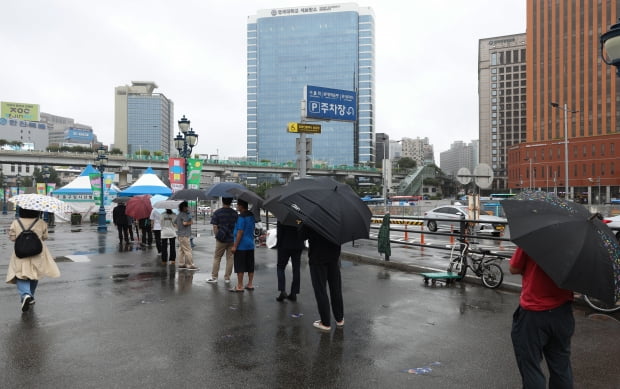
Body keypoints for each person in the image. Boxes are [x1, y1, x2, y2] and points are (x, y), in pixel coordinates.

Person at [509, 247, 575, 388]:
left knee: (530, 366)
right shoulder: (578, 244)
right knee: (561, 367)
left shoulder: (534, 238)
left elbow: (514, 268)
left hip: (534, 312)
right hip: (563, 312)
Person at [6, 208, 60, 312]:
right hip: (37, 253)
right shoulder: (41, 222)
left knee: (21, 274)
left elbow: (12, 238)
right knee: (34, 274)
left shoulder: (16, 222)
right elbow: (45, 237)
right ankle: (30, 296)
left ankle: (26, 294)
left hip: (20, 252)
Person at [302, 226, 344, 331]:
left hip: (317, 258)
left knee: (321, 290)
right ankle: (339, 319)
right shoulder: (336, 217)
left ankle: (325, 323)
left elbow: (301, 236)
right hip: (334, 256)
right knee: (336, 288)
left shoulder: (311, 218)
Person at [206, 197, 238, 284]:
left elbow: (215, 226)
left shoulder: (217, 212)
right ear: (231, 202)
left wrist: (217, 235)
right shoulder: (234, 213)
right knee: (230, 258)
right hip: (231, 239)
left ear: (223, 201)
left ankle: (214, 277)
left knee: (217, 258)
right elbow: (237, 227)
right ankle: (227, 278)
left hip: (221, 239)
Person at [229, 199, 255, 292]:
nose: (236, 206)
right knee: (250, 265)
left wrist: (235, 246)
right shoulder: (251, 216)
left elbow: (240, 231)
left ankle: (240, 286)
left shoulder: (241, 217)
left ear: (241, 206)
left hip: (241, 246)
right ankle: (250, 284)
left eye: (237, 205)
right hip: (250, 244)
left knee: (240, 266)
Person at [275, 222, 305, 302]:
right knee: (296, 269)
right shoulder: (300, 215)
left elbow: (279, 233)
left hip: (284, 245)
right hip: (298, 245)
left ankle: (282, 290)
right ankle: (294, 293)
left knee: (280, 267)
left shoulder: (283, 216)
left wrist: (278, 245)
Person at [175, 201, 198, 271]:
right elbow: (185, 223)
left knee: (182, 250)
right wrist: (190, 221)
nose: (187, 208)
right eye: (186, 207)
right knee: (188, 250)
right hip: (185, 235)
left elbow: (175, 223)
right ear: (184, 207)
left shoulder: (179, 214)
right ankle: (190, 265)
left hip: (180, 234)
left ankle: (181, 264)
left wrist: (179, 228)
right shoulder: (184, 215)